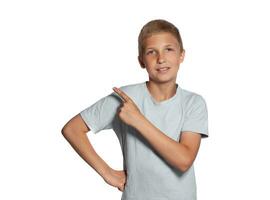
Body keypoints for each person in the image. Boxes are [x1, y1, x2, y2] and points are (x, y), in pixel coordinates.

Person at [61, 19, 209, 200]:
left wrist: (138, 120)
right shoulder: (124, 98)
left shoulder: (193, 102)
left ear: (181, 55)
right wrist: (107, 173)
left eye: (168, 49)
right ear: (141, 61)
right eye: (151, 52)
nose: (161, 58)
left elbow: (184, 160)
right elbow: (72, 129)